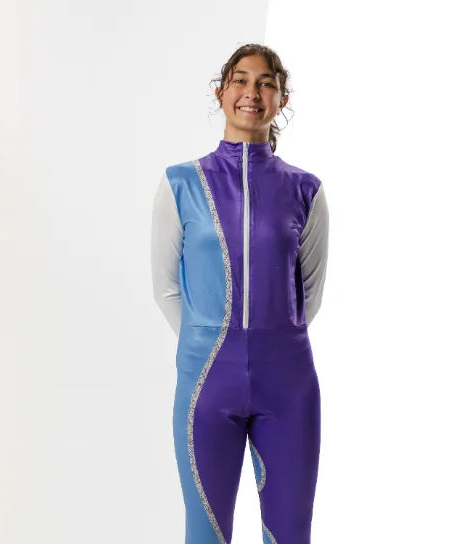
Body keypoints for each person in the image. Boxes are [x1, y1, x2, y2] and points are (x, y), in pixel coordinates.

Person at [151, 43, 328, 544]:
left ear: (282, 99)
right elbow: (165, 285)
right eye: (241, 80)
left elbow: (309, 291)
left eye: (266, 82)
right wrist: (206, 342)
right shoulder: (181, 183)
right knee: (205, 535)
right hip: (207, 379)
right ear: (221, 91)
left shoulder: (306, 190)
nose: (252, 92)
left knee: (291, 534)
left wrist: (272, 339)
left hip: (288, 384)